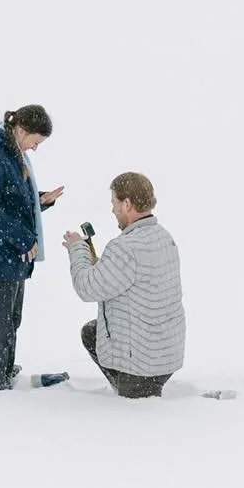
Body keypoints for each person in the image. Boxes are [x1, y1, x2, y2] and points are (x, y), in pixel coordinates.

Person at [0, 105, 63, 390]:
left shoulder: (10, 151)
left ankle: (3, 369)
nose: (35, 148)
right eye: (35, 141)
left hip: (10, 253)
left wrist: (39, 201)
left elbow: (10, 201)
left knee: (10, 318)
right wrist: (23, 237)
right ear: (21, 130)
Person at [63, 171, 184, 398]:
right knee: (93, 332)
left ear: (127, 204)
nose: (112, 210)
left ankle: (132, 390)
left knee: (93, 334)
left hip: (142, 364)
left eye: (114, 203)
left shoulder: (125, 247)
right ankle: (137, 384)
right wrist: (101, 265)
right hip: (165, 354)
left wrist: (77, 248)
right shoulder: (163, 237)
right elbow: (132, 278)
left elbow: (87, 288)